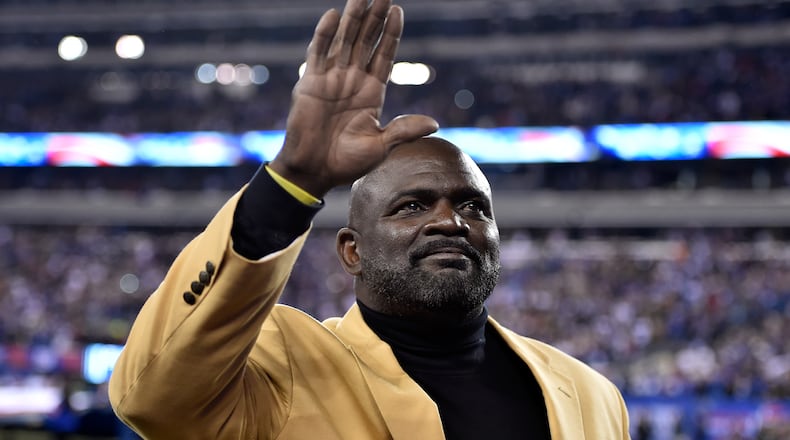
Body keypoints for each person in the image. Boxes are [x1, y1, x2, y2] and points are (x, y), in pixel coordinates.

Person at [108, 0, 631, 438]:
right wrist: (294, 179)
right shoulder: (279, 368)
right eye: (412, 206)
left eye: (473, 206)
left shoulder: (591, 395)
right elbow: (151, 396)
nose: (449, 222)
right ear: (351, 250)